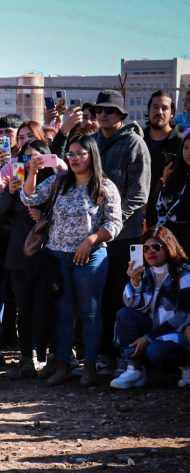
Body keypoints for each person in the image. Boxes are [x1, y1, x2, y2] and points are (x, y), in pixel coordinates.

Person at [21, 135, 122, 387]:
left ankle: (90, 366)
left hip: (90, 257)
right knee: (63, 313)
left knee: (89, 313)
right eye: (71, 153)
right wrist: (31, 173)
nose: (75, 158)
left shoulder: (104, 187)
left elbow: (114, 223)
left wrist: (91, 240)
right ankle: (63, 364)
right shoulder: (59, 182)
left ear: (92, 155)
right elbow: (30, 199)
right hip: (57, 257)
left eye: (81, 153)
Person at [91, 89, 151, 373]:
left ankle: (128, 357)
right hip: (93, 235)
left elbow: (139, 194)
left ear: (121, 115)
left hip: (129, 236)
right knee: (98, 296)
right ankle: (102, 354)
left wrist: (114, 221)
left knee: (128, 295)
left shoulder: (134, 144)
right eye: (99, 110)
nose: (103, 115)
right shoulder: (90, 142)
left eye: (109, 111)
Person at [0, 141, 60, 379]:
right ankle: (26, 358)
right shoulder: (18, 179)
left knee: (48, 306)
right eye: (25, 157)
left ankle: (51, 356)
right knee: (24, 307)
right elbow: (0, 215)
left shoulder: (55, 180)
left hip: (48, 252)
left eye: (36, 157)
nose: (31, 162)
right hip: (20, 252)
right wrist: (10, 192)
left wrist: (44, 217)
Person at [110, 226, 190, 389]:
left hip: (176, 332)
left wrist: (148, 337)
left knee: (156, 351)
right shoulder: (144, 272)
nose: (150, 252)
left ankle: (187, 366)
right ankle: (134, 370)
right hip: (152, 328)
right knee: (124, 314)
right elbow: (130, 304)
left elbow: (183, 317)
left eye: (156, 247)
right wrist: (135, 281)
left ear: (168, 246)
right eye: (145, 248)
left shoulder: (184, 273)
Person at [152, 133, 190, 248]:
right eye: (186, 147)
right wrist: (164, 181)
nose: (188, 152)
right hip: (170, 236)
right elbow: (160, 206)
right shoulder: (176, 175)